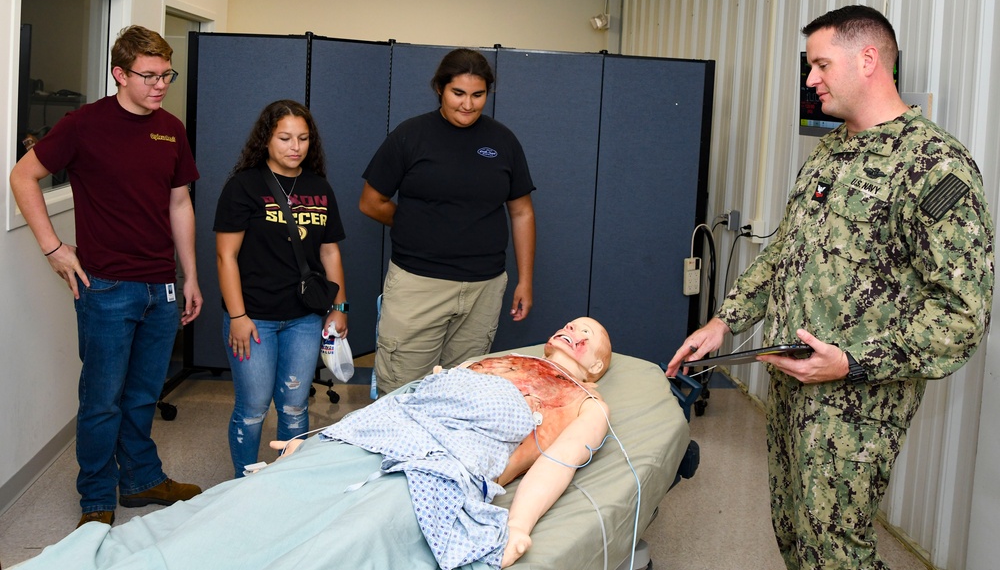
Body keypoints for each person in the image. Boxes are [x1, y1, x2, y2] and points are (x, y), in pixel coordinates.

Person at [667, 5, 994, 570]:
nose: (810, 79)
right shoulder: (828, 153)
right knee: (794, 535)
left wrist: (850, 362)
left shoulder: (935, 165)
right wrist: (723, 322)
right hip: (792, 387)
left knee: (838, 553)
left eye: (819, 65)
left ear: (868, 60)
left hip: (856, 404)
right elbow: (785, 254)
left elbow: (962, 315)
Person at [11, 318, 612, 570]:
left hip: (435, 476)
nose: (573, 331)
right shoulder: (494, 361)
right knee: (239, 510)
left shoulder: (585, 404)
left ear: (599, 367)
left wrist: (518, 525)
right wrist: (322, 437)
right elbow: (401, 402)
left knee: (332, 550)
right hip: (368, 440)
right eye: (571, 324)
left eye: (589, 336)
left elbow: (555, 463)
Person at [9, 25, 204, 529]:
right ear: (119, 73)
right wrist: (53, 248)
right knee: (101, 400)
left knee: (143, 395)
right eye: (149, 75)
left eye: (167, 74)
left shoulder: (171, 128)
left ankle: (141, 480)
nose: (161, 85)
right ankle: (96, 497)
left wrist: (190, 276)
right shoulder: (84, 124)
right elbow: (21, 176)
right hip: (107, 289)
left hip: (160, 287)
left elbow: (179, 203)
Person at [359, 48, 537, 395]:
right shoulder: (411, 135)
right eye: (458, 93)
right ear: (440, 88)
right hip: (418, 284)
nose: (468, 105)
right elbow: (371, 202)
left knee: (462, 393)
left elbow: (522, 211)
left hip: (483, 288)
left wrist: (525, 280)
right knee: (401, 392)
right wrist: (415, 223)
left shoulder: (503, 141)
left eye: (478, 94)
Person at [214, 99, 348, 478]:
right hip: (253, 317)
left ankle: (290, 480)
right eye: (285, 137)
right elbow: (226, 257)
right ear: (266, 140)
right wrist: (237, 316)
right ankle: (246, 482)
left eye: (303, 138)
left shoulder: (319, 187)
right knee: (254, 407)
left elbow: (329, 251)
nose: (295, 147)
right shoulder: (244, 186)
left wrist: (341, 306)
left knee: (293, 406)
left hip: (304, 317)